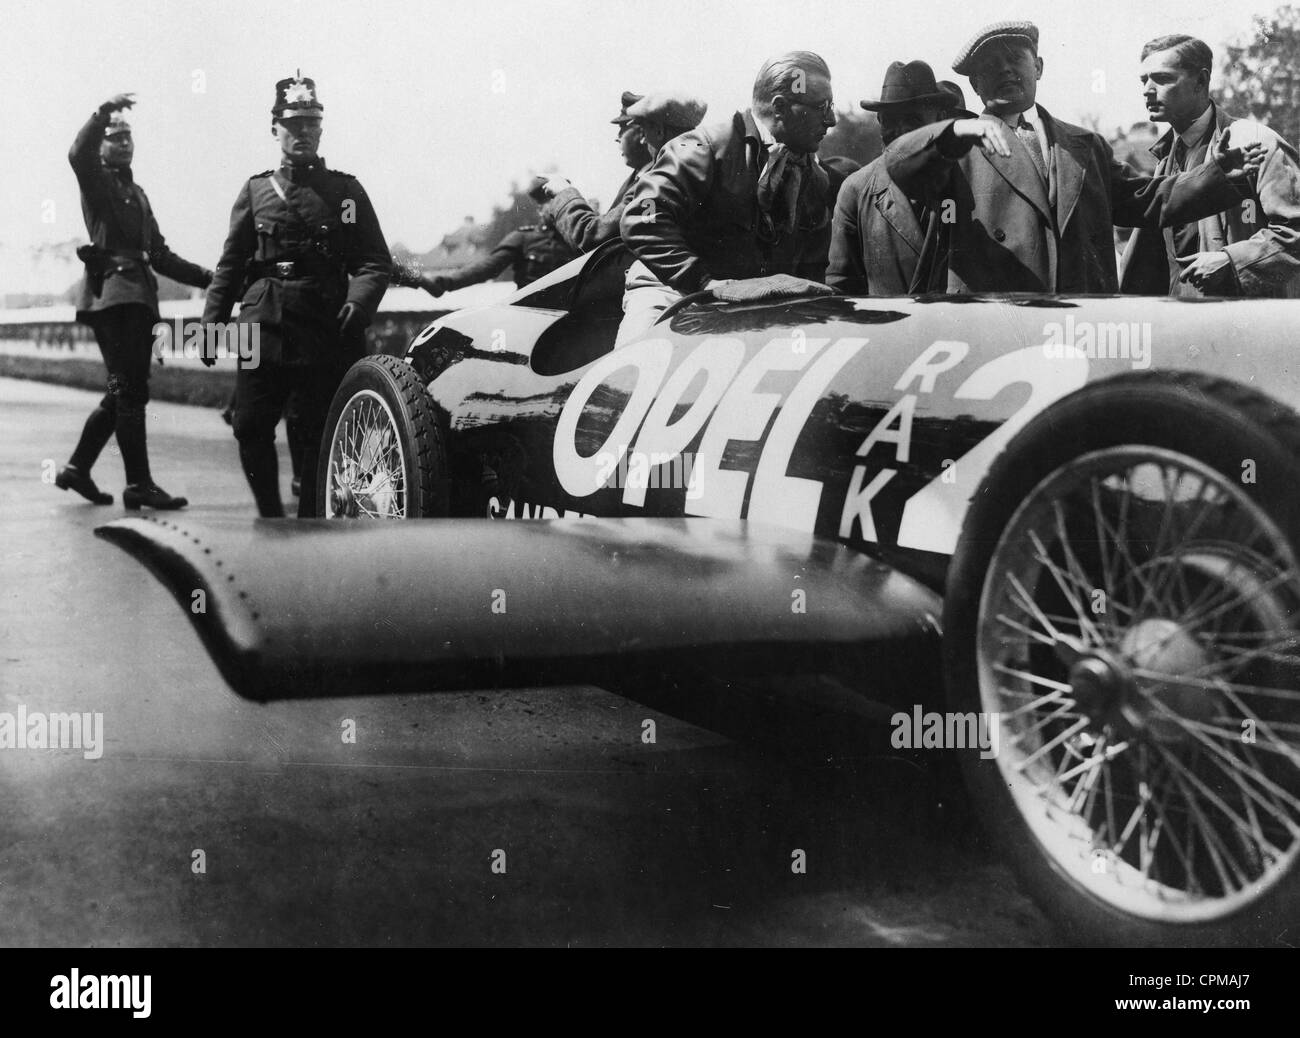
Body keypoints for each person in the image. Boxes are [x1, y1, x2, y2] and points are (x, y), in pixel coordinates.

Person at [884, 21, 1264, 294]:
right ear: (975, 84)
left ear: (1038, 67)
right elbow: (901, 167)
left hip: (1083, 325)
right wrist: (954, 133)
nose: (1004, 68)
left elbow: (1145, 200)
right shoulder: (955, 148)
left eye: (1015, 57)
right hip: (996, 328)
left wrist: (1222, 177)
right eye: (989, 64)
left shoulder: (1084, 145)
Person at [203, 75, 390, 518]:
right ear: (274, 129)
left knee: (314, 431)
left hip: (324, 326)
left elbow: (374, 260)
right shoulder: (255, 191)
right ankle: (270, 516)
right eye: (293, 124)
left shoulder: (345, 193)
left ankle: (307, 524)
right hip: (261, 324)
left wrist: (359, 301)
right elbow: (230, 265)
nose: (302, 132)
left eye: (311, 122)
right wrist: (212, 325)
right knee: (249, 425)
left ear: (321, 129)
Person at [617, 52, 845, 344]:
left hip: (748, 303)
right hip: (671, 293)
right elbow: (643, 216)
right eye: (821, 107)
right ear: (780, 107)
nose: (831, 119)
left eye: (831, 106)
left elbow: (813, 261)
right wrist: (701, 280)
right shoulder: (701, 149)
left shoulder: (811, 174)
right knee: (635, 373)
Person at [56, 93, 212, 510]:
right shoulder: (98, 181)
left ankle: (77, 468)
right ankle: (139, 485)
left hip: (138, 297)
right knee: (130, 392)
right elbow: (76, 153)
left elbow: (160, 256)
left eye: (128, 136)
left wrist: (210, 278)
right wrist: (101, 111)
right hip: (117, 298)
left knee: (121, 391)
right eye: (114, 137)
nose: (124, 143)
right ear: (102, 146)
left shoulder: (138, 194)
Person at [1120, 34, 1300, 297]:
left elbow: (1295, 231)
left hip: (1246, 321)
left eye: (1163, 78)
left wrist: (1231, 261)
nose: (1148, 89)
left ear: (1201, 80)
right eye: (1144, 80)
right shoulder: (1165, 157)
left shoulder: (1255, 143)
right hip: (1180, 322)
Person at [828, 60, 961, 295]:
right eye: (889, 121)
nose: (900, 133)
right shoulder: (856, 190)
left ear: (938, 120)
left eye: (913, 120)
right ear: (879, 122)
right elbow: (841, 286)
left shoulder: (966, 180)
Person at [542, 91, 708, 253]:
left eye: (623, 128)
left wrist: (564, 194)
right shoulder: (692, 168)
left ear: (646, 132)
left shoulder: (654, 183)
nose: (617, 137)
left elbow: (591, 237)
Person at [411, 199, 579, 296]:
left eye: (559, 201)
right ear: (541, 209)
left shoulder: (577, 239)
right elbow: (487, 268)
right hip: (529, 314)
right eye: (548, 201)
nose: (554, 206)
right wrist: (444, 282)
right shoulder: (523, 238)